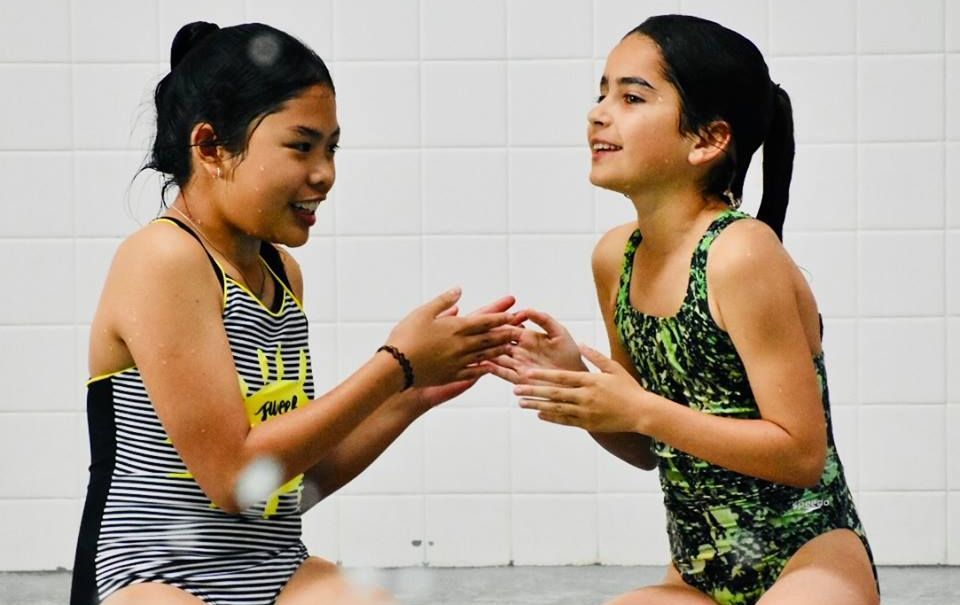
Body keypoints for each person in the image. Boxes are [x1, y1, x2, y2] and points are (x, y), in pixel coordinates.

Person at [71, 21, 518, 605]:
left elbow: (290, 481)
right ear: (210, 148)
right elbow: (234, 478)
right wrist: (396, 365)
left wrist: (412, 395)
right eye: (301, 146)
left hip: (271, 569)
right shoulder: (163, 258)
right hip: (150, 579)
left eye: (331, 148)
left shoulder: (279, 273)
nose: (325, 173)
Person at [487, 15, 879, 605]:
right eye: (601, 93)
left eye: (632, 96)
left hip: (809, 559)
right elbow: (647, 448)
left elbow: (801, 454)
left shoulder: (740, 253)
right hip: (698, 575)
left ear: (706, 140)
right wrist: (581, 390)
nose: (599, 112)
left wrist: (640, 409)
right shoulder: (615, 259)